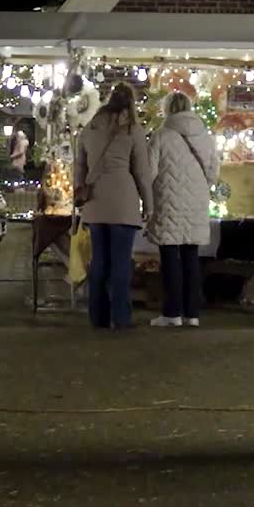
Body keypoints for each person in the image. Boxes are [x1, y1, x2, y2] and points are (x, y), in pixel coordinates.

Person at [75, 82, 153, 331]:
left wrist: (80, 192)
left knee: (99, 262)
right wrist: (148, 205)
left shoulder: (89, 128)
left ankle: (97, 317)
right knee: (121, 264)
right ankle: (121, 318)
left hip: (95, 203)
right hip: (124, 203)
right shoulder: (132, 130)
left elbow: (79, 167)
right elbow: (142, 173)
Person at [147, 91, 220, 328]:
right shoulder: (206, 137)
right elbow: (213, 173)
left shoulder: (160, 136)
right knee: (191, 257)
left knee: (170, 258)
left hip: (168, 202)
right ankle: (192, 313)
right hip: (197, 204)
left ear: (167, 109)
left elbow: (149, 173)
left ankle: (172, 312)